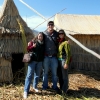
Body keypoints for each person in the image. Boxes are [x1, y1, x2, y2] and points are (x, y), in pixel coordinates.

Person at [23, 32, 44, 99]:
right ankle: (26, 91)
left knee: (37, 75)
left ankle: (35, 86)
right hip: (32, 61)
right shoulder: (33, 42)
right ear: (37, 36)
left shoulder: (43, 44)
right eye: (39, 36)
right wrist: (32, 46)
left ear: (43, 37)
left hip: (39, 62)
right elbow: (28, 48)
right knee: (29, 75)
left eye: (41, 36)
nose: (40, 37)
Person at [42, 21, 60, 93]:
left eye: (52, 25)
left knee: (54, 73)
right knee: (45, 73)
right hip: (46, 57)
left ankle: (54, 86)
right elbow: (38, 40)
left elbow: (61, 40)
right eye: (49, 25)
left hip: (54, 57)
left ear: (53, 26)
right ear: (47, 26)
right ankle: (45, 86)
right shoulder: (44, 33)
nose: (50, 26)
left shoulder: (56, 34)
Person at [57, 29, 71, 94]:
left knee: (64, 76)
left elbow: (68, 53)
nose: (61, 35)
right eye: (60, 34)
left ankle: (64, 90)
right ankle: (61, 88)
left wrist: (66, 63)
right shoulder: (59, 42)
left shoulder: (66, 42)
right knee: (60, 75)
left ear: (64, 34)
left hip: (63, 60)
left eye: (62, 34)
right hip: (59, 60)